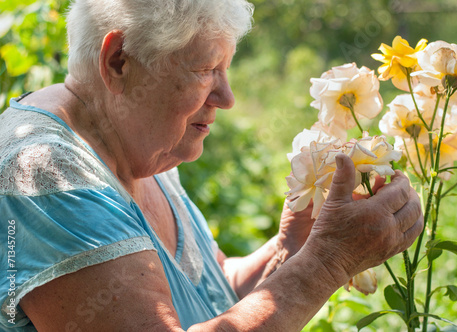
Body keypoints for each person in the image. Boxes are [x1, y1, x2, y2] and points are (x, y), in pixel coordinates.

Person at [0, 0, 423, 330]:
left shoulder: (145, 147)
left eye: (226, 68)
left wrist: (291, 246)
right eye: (206, 69)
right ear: (118, 62)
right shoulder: (44, 172)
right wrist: (327, 263)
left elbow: (216, 289)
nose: (227, 97)